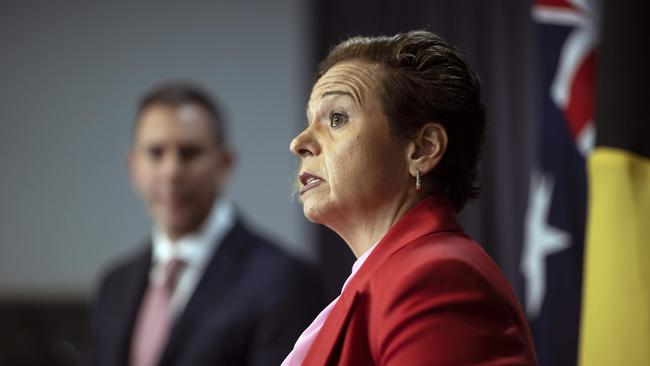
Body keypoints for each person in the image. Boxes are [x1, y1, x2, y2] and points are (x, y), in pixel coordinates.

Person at [283, 30, 538, 365]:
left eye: (337, 118)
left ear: (422, 149)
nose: (299, 142)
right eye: (309, 121)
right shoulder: (388, 277)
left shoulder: (437, 278)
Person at [87, 82, 323, 366]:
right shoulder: (114, 285)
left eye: (189, 153)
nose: (172, 171)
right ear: (133, 166)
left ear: (224, 164)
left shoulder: (284, 280)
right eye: (155, 153)